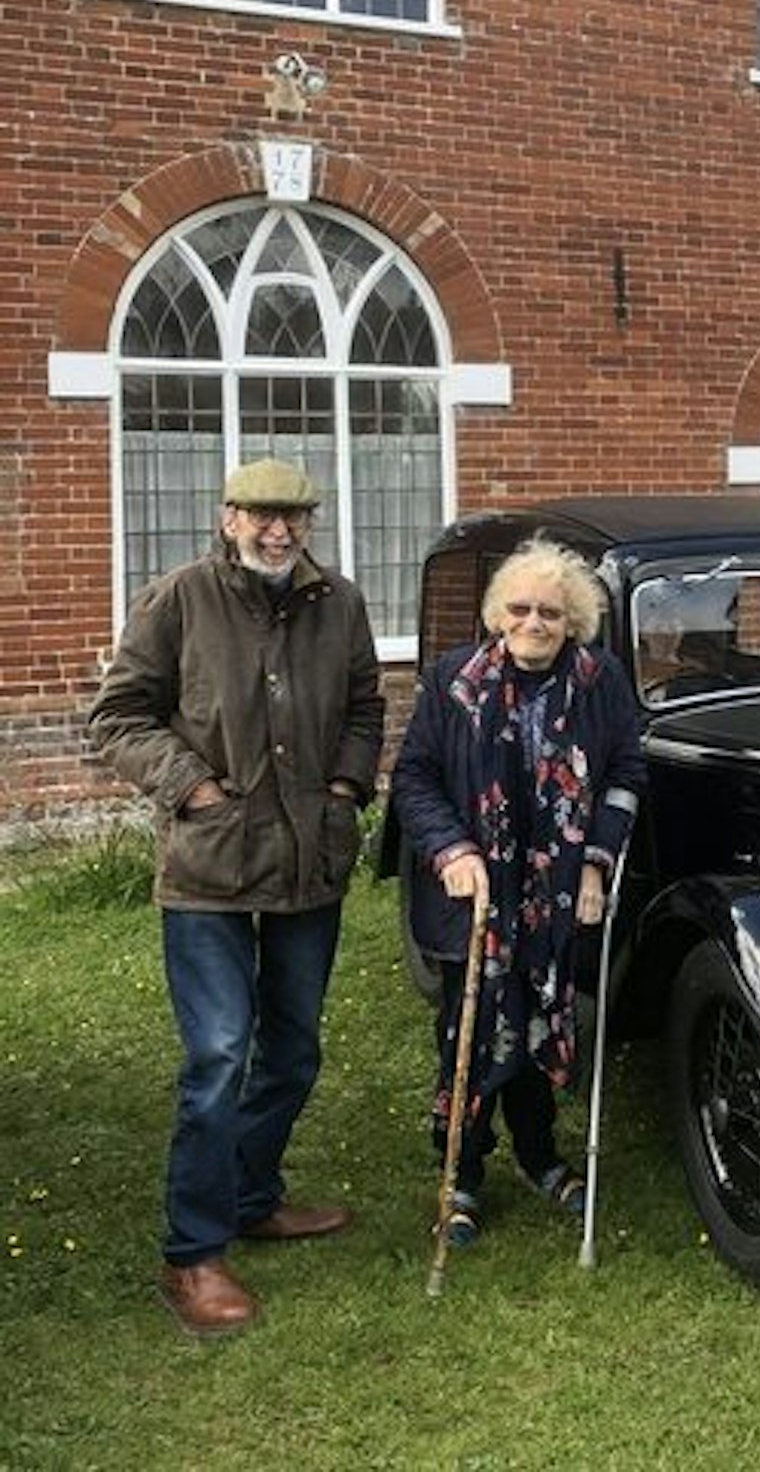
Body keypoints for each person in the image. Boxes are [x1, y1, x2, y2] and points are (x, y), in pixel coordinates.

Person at [88, 457, 384, 1338]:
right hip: (210, 868)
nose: (278, 530)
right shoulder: (178, 599)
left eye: (293, 516)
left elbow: (366, 707)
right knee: (219, 1056)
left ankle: (253, 1195)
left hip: (308, 864)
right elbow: (118, 717)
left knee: (291, 1053)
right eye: (260, 514)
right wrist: (192, 789)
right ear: (228, 517)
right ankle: (194, 1255)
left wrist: (344, 788)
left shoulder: (341, 603)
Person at [390, 535, 644, 1246]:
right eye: (522, 609)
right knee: (466, 1035)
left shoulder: (602, 682)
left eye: (552, 614)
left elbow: (626, 771)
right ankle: (462, 1176)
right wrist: (450, 849)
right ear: (498, 614)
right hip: (474, 892)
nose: (535, 624)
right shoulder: (453, 682)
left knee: (539, 1019)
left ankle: (541, 1157)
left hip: (554, 892)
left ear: (575, 623)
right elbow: (414, 778)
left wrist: (595, 861)